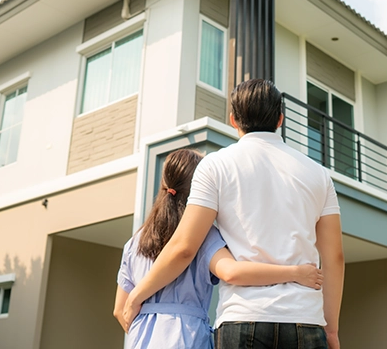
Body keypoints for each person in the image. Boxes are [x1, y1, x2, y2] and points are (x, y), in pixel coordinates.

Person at [122, 79, 345, 349]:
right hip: (305, 319)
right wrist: (330, 330)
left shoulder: (215, 166)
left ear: (232, 120)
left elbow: (183, 248)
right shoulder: (319, 174)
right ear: (280, 119)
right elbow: (334, 257)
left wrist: (136, 297)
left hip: (242, 320)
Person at [113, 148, 325, 349]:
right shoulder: (202, 236)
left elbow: (119, 310)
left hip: (140, 339)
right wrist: (296, 273)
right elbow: (231, 272)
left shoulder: (135, 242)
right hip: (186, 337)